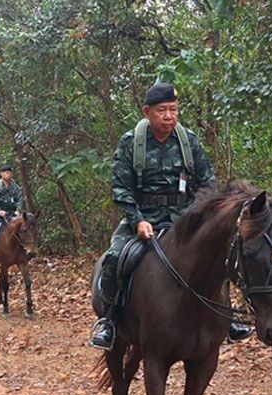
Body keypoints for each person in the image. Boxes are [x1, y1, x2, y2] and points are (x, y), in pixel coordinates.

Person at [90, 82, 253, 350]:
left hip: (185, 218)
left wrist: (200, 216)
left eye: (174, 110)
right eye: (162, 110)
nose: (169, 116)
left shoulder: (188, 142)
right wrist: (137, 220)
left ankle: (227, 318)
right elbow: (121, 189)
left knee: (219, 254)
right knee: (115, 258)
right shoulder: (131, 143)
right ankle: (109, 321)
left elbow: (208, 184)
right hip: (143, 217)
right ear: (147, 112)